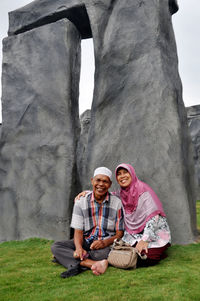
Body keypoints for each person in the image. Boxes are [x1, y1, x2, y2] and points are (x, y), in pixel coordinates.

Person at [77, 163, 171, 275]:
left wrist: (144, 240)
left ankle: (154, 252)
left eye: (125, 172)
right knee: (129, 251)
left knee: (148, 256)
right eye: (119, 174)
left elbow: (155, 218)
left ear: (132, 174)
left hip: (154, 233)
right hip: (134, 235)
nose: (122, 176)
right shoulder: (122, 193)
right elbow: (108, 195)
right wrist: (89, 193)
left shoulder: (144, 191)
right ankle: (115, 260)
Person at [51, 167, 124, 278]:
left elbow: (119, 234)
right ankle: (91, 264)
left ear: (110, 184)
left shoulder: (117, 203)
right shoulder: (81, 202)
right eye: (98, 180)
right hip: (86, 240)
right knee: (56, 247)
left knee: (104, 253)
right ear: (92, 181)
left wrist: (104, 243)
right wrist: (79, 248)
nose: (101, 184)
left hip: (105, 244)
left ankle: (68, 259)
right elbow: (78, 231)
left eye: (105, 181)